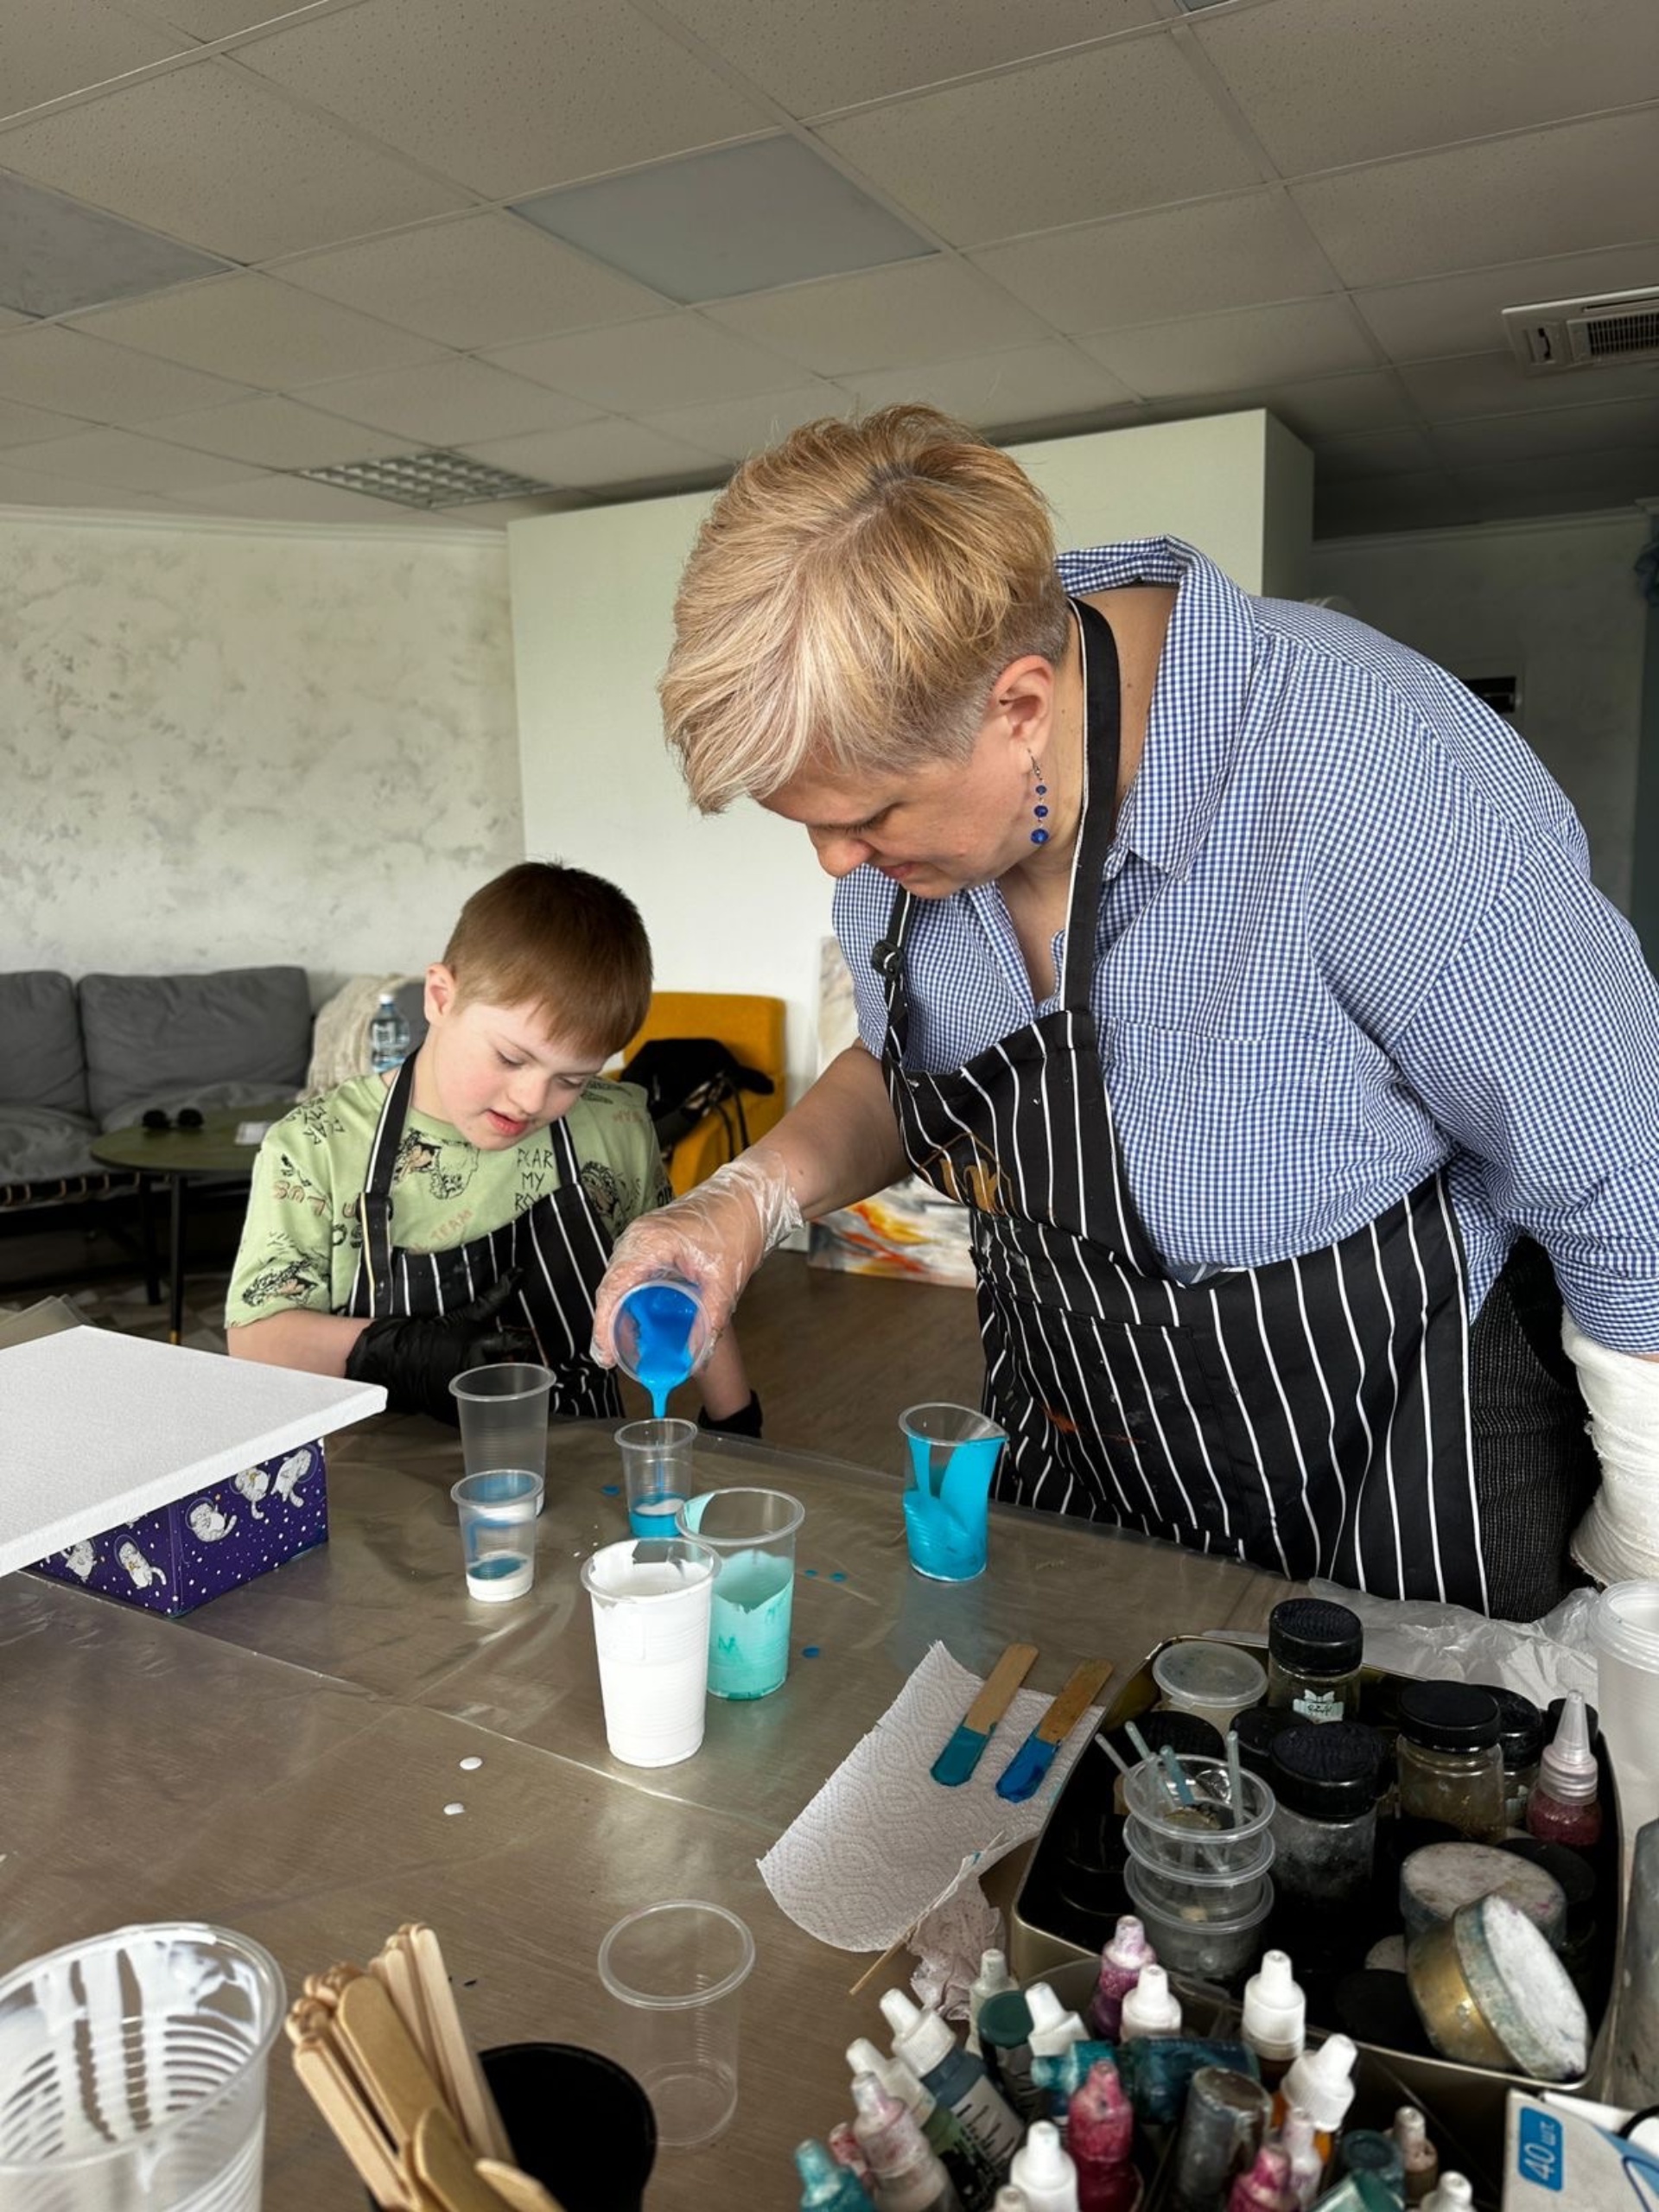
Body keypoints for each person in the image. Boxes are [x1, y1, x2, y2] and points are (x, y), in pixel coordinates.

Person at [590, 404, 1659, 1618]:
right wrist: (746, 1202)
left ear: (1022, 707)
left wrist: (1641, 1559)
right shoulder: (910, 866)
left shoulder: (1371, 772)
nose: (838, 864)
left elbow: (1628, 1184)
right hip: (1076, 1442)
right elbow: (915, 1066)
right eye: (811, 825)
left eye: (872, 815)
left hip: (1387, 1468)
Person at [228, 861, 759, 1433]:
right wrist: (399, 1350)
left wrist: (737, 1422)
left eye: (573, 1079)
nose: (532, 1099)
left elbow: (681, 1283)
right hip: (381, 1483)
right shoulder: (316, 1148)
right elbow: (257, 1342)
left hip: (581, 1466)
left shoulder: (616, 1126)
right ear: (439, 997)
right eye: (511, 1058)